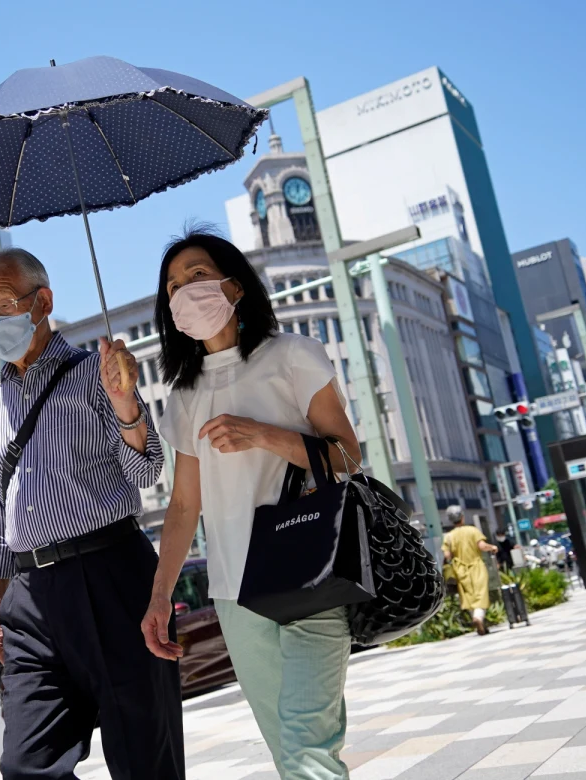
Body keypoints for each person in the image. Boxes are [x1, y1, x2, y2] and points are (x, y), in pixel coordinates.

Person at [141, 230, 362, 779]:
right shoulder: (184, 396)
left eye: (196, 275)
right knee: (288, 753)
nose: (184, 291)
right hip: (235, 592)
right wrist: (160, 595)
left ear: (234, 286)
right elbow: (184, 506)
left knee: (310, 746)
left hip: (310, 570)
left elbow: (347, 457)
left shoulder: (291, 357)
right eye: (173, 286)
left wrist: (262, 434)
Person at [0, 248, 183, 779]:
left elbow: (147, 470)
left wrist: (127, 405)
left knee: (144, 760)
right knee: (26, 767)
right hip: (30, 595)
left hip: (112, 573)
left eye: (3, 305)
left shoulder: (97, 374)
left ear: (42, 301)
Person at [442, 506, 499, 635]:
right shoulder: (472, 531)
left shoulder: (449, 536)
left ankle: (481, 626)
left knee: (468, 596)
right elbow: (482, 546)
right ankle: (478, 618)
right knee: (481, 594)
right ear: (462, 517)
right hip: (476, 566)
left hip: (460, 569)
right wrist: (493, 547)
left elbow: (447, 555)